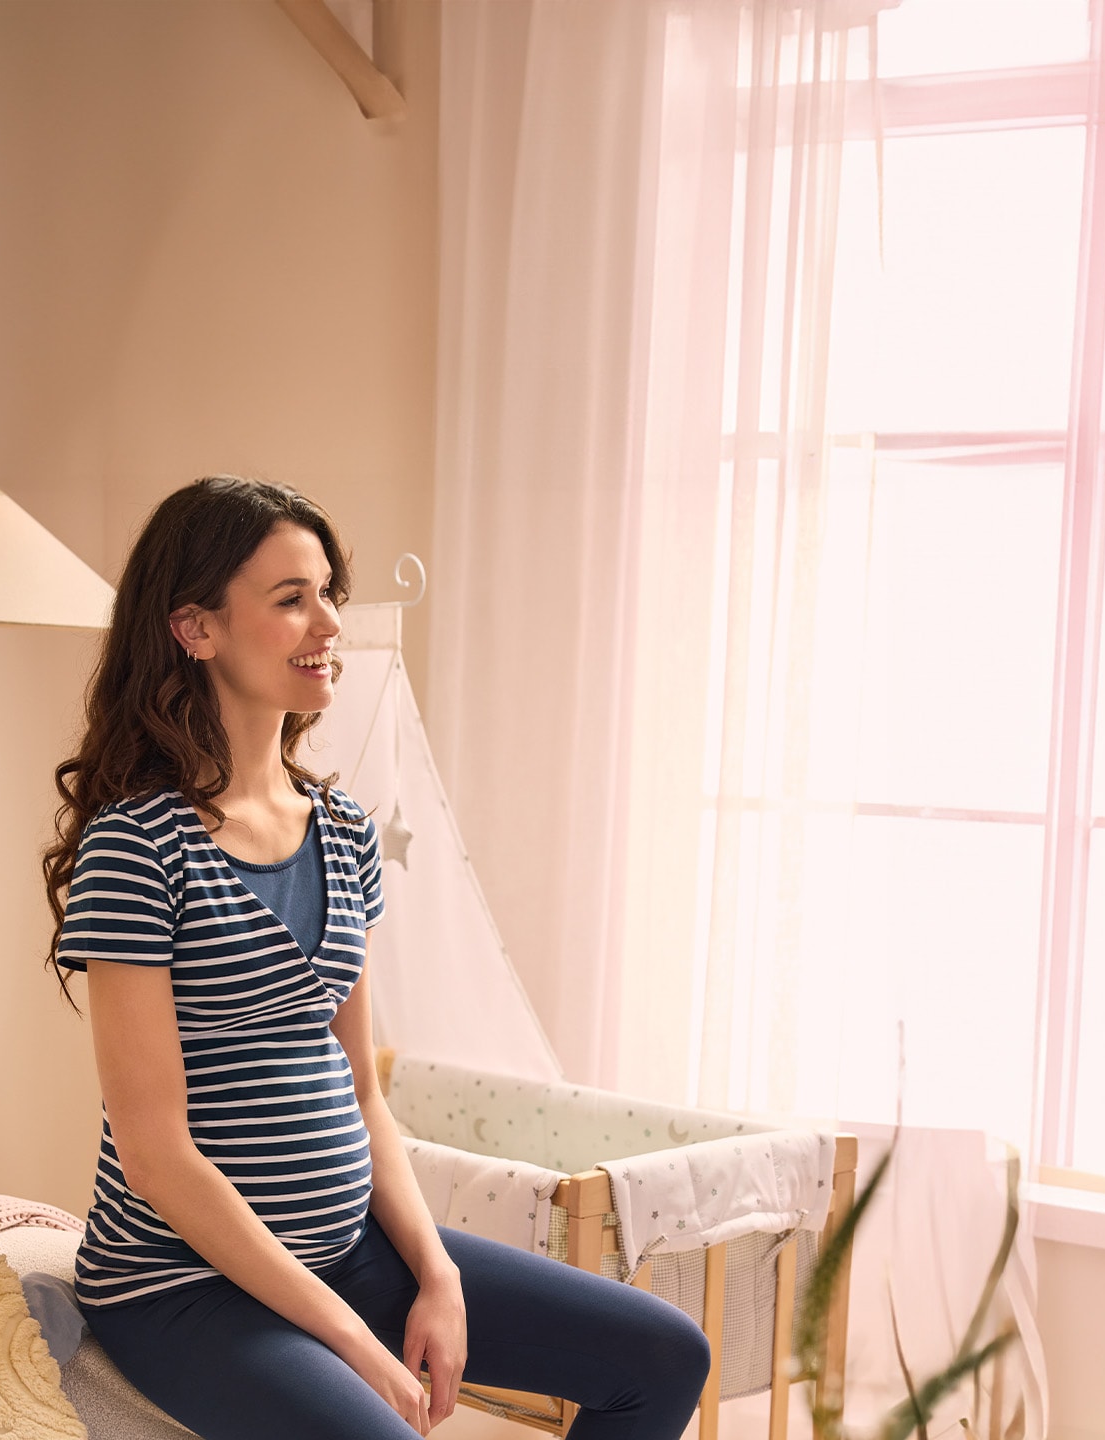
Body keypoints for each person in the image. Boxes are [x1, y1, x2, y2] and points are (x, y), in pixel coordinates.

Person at [42, 476, 711, 1439]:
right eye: (291, 599)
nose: (328, 626)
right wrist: (355, 1342)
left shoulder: (344, 830)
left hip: (350, 1250)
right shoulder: (137, 848)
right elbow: (157, 1154)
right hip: (184, 1285)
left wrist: (436, 1276)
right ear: (197, 629)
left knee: (662, 1354)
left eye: (329, 597)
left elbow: (361, 1092)